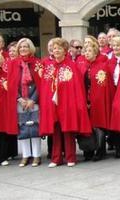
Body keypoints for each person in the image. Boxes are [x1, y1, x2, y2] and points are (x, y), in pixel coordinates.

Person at [41, 38, 92, 167]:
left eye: (59, 48)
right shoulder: (49, 67)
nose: (56, 50)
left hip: (67, 103)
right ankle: (56, 158)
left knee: (68, 131)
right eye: (54, 48)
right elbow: (45, 86)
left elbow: (77, 86)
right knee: (56, 131)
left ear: (65, 51)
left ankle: (70, 157)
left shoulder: (71, 66)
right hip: (53, 104)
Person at [6, 38, 42, 167]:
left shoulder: (38, 63)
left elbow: (40, 83)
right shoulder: (13, 63)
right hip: (20, 101)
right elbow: (10, 83)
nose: (23, 49)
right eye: (20, 47)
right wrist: (19, 98)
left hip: (34, 101)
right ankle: (26, 155)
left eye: (25, 47)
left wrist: (33, 99)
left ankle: (37, 155)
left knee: (35, 127)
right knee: (23, 127)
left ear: (30, 48)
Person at [78, 41, 114, 161]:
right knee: (86, 126)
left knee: (99, 126)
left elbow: (104, 86)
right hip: (85, 99)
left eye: (89, 51)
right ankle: (88, 150)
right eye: (85, 51)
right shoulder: (82, 66)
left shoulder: (103, 66)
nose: (86, 53)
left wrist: (95, 99)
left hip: (98, 101)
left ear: (95, 53)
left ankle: (100, 150)